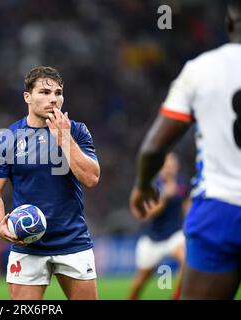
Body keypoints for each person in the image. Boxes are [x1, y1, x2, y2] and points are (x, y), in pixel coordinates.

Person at [129, 0, 241, 299]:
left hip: (220, 209)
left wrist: (142, 186)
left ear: (230, 23)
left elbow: (153, 148)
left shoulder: (201, 70)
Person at [0, 66, 100, 300]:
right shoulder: (8, 139)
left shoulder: (76, 131)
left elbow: (91, 179)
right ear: (27, 97)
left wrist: (65, 139)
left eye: (58, 93)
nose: (53, 99)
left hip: (72, 242)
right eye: (45, 92)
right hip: (27, 245)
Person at [128, 152, 189, 300]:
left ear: (177, 167)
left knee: (188, 260)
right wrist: (165, 197)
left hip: (174, 235)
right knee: (140, 282)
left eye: (172, 165)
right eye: (166, 165)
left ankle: (176, 297)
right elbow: (148, 214)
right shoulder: (152, 185)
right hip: (152, 239)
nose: (169, 168)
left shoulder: (182, 183)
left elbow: (187, 206)